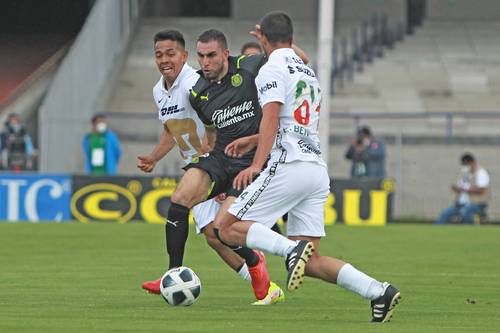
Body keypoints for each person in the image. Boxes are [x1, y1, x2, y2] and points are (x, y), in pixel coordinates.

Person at [216, 12, 401, 323]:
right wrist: (253, 140)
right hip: (315, 169)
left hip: (288, 163)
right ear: (290, 37)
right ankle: (378, 291)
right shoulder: (307, 70)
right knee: (311, 261)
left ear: (262, 38)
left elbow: (272, 117)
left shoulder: (271, 67)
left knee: (226, 228)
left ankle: (288, 250)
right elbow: (292, 85)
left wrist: (257, 164)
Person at [139, 29, 284, 305]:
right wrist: (156, 157)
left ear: (184, 57)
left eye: (171, 53)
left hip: (233, 163)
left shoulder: (195, 81)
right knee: (211, 234)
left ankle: (259, 268)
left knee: (219, 232)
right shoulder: (167, 90)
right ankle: (258, 279)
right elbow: (176, 129)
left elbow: (213, 132)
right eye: (159, 54)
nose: (164, 59)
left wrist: (214, 169)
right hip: (210, 162)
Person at [436, 153, 490, 225]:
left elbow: (482, 190)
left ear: (472, 162)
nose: (464, 166)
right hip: (461, 204)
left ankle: (472, 232)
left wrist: (463, 190)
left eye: (465, 164)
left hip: (477, 204)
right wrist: (457, 189)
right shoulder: (467, 175)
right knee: (445, 213)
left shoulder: (481, 173)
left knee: (465, 212)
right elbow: (462, 186)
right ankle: (438, 232)